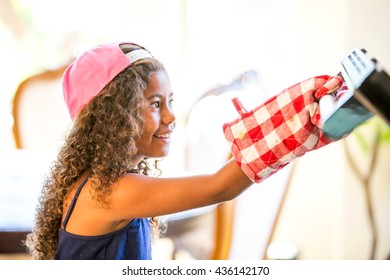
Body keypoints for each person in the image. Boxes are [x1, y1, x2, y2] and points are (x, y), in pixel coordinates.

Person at [24, 42, 345, 260]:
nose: (172, 116)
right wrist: (293, 119)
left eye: (170, 101)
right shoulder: (112, 192)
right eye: (155, 104)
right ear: (113, 117)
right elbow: (222, 186)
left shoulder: (100, 182)